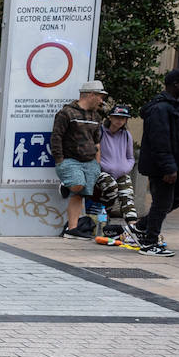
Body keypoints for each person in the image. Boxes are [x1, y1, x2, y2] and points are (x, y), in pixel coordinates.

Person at [135, 69, 179, 256]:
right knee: (162, 203)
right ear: (176, 85)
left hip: (176, 165)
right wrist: (169, 167)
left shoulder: (171, 106)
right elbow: (160, 141)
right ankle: (149, 243)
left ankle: (141, 227)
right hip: (164, 167)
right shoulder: (160, 109)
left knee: (178, 198)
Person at [51, 79, 106, 240]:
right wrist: (59, 159)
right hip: (70, 159)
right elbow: (56, 137)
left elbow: (97, 141)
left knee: (81, 195)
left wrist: (97, 162)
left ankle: (72, 228)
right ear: (91, 95)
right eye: (100, 96)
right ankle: (67, 184)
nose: (102, 100)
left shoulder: (96, 116)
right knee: (77, 185)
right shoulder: (67, 113)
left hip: (89, 161)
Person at [90, 104, 139, 231]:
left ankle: (133, 227)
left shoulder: (127, 135)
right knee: (111, 184)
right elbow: (93, 152)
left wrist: (125, 168)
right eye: (117, 117)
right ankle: (109, 213)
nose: (120, 120)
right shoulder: (100, 131)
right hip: (101, 172)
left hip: (121, 173)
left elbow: (130, 157)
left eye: (123, 118)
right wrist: (104, 166)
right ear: (110, 117)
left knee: (128, 194)